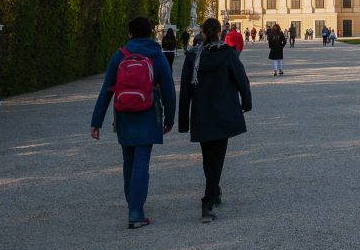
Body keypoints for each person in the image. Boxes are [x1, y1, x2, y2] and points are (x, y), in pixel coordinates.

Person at [90, 16, 176, 229]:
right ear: (150, 33)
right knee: (141, 162)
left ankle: (133, 204)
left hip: (124, 115)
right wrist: (171, 118)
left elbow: (106, 90)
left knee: (128, 161)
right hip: (148, 113)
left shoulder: (120, 55)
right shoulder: (156, 54)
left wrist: (96, 121)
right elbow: (168, 90)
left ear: (130, 33)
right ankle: (136, 211)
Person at [179, 17, 252, 223]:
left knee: (208, 156)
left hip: (202, 113)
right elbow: (242, 80)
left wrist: (183, 120)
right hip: (223, 112)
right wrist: (246, 103)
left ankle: (214, 190)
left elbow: (185, 91)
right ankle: (208, 200)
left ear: (202, 34)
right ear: (220, 33)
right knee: (216, 158)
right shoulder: (228, 54)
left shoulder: (193, 57)